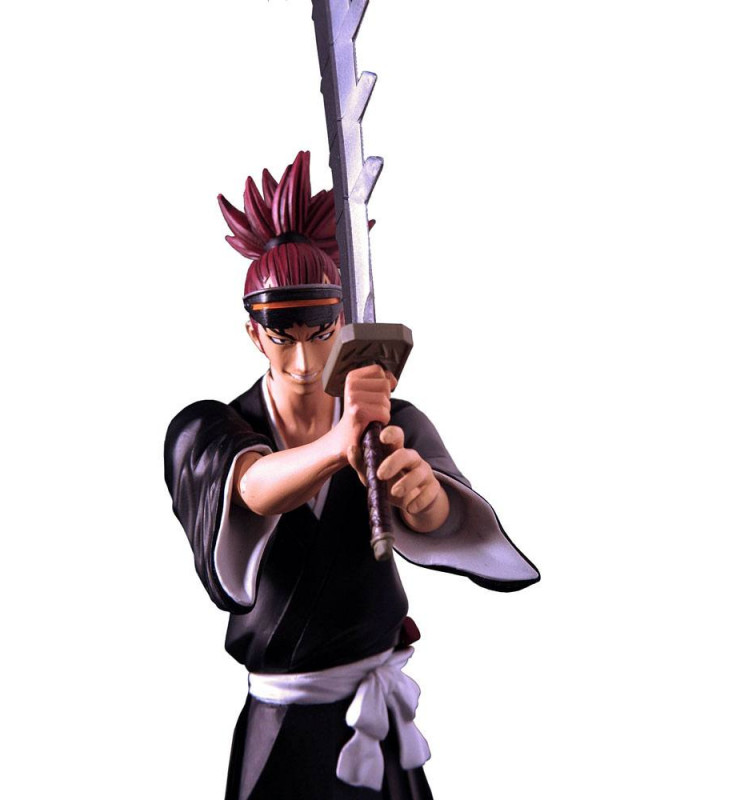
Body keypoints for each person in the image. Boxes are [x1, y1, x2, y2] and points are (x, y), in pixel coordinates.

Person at [164, 151, 539, 800]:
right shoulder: (208, 428)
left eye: (319, 333)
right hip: (281, 718)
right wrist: (337, 447)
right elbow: (250, 488)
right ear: (254, 333)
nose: (304, 360)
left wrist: (423, 500)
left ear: (339, 323)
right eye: (283, 336)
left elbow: (447, 514)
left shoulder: (391, 422)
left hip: (373, 712)